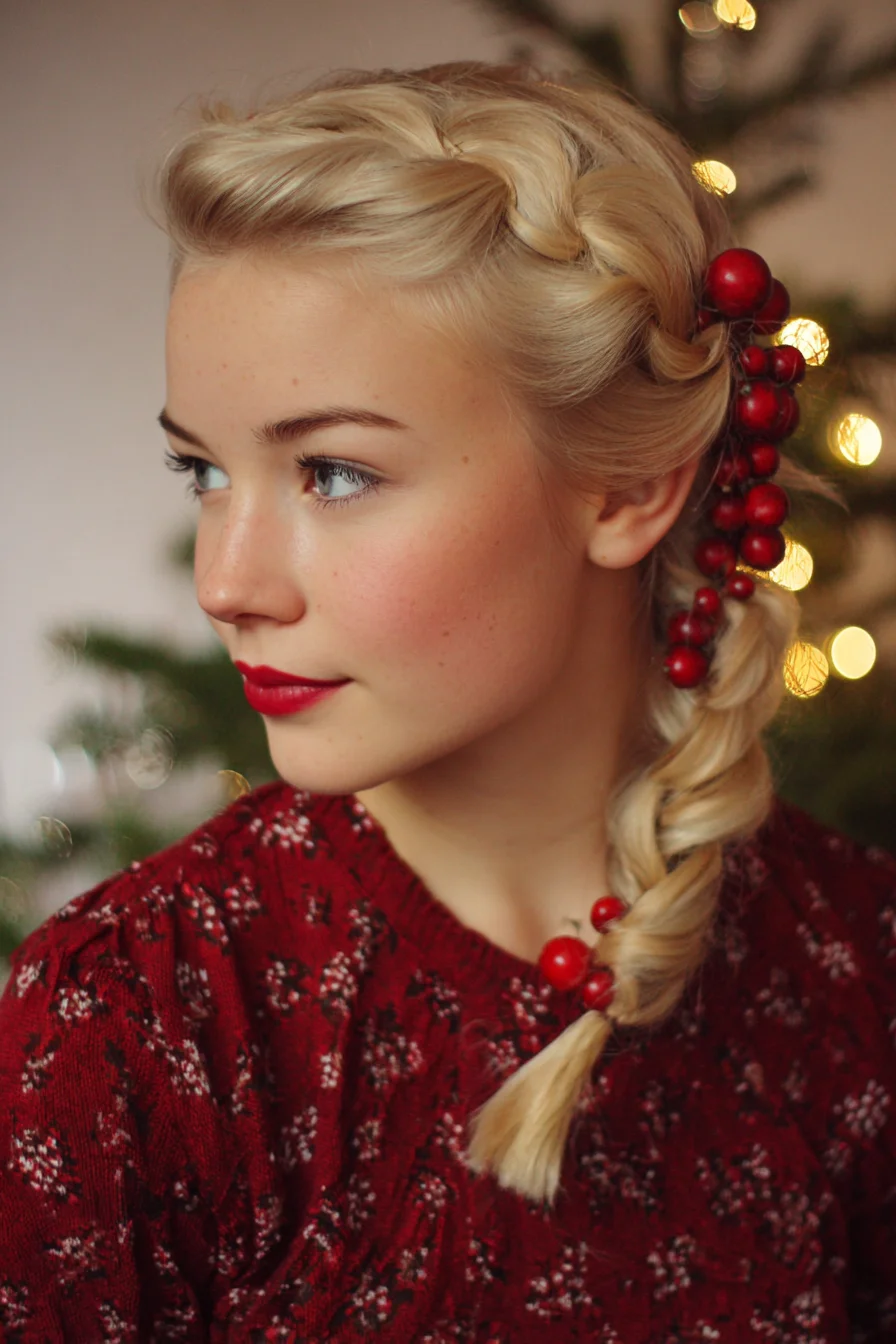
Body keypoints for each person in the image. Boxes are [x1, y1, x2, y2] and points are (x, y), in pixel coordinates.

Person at [0, 58, 893, 1343]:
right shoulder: (134, 1023)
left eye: (335, 474)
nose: (225, 581)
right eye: (200, 469)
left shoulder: (856, 981)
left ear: (626, 491)